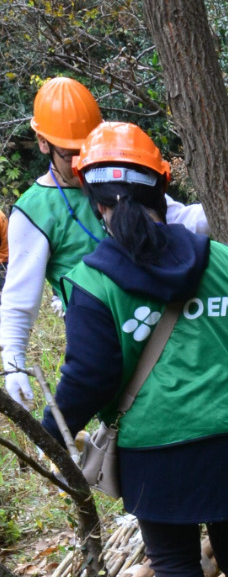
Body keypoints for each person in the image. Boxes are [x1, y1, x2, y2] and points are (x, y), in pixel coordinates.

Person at [46, 123, 228, 577]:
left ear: (96, 203)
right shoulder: (224, 260)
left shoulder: (93, 281)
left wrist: (53, 429)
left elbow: (90, 376)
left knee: (174, 560)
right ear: (161, 189)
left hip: (155, 447)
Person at [2, 78, 208, 412]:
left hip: (164, 323)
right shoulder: (34, 212)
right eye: (71, 154)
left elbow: (177, 218)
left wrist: (224, 209)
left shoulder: (115, 170)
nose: (82, 162)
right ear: (43, 144)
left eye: (87, 147)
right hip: (103, 340)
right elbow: (19, 300)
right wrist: (14, 363)